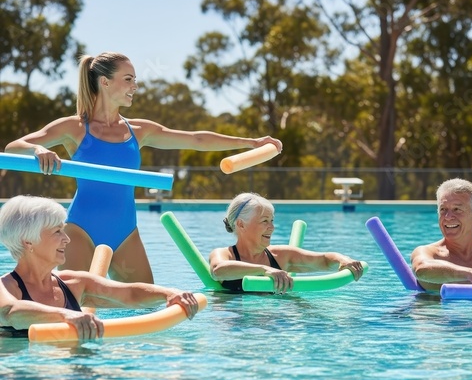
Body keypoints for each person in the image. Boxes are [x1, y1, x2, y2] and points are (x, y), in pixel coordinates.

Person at [4, 52, 282, 283]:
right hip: (82, 230)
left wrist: (251, 141)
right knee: (75, 303)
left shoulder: (139, 130)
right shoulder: (74, 127)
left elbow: (196, 139)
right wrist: (38, 149)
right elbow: (14, 146)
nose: (134, 86)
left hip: (126, 231)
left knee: (146, 303)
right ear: (104, 82)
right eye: (128, 79)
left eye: (135, 79)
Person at [0, 195, 200, 340]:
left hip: (74, 379)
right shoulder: (5, 288)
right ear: (28, 242)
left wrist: (170, 293)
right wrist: (67, 315)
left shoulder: (74, 283)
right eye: (57, 232)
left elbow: (129, 294)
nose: (67, 239)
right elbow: (11, 312)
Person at [209, 192, 364, 293]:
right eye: (264, 221)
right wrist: (265, 269)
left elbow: (322, 260)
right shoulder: (223, 254)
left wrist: (342, 260)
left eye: (272, 221)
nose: (272, 227)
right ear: (241, 224)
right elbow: (218, 271)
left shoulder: (281, 255)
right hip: (235, 327)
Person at [411, 178, 472, 299]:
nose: (448, 217)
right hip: (437, 317)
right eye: (443, 209)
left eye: (457, 209)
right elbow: (422, 269)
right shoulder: (429, 253)